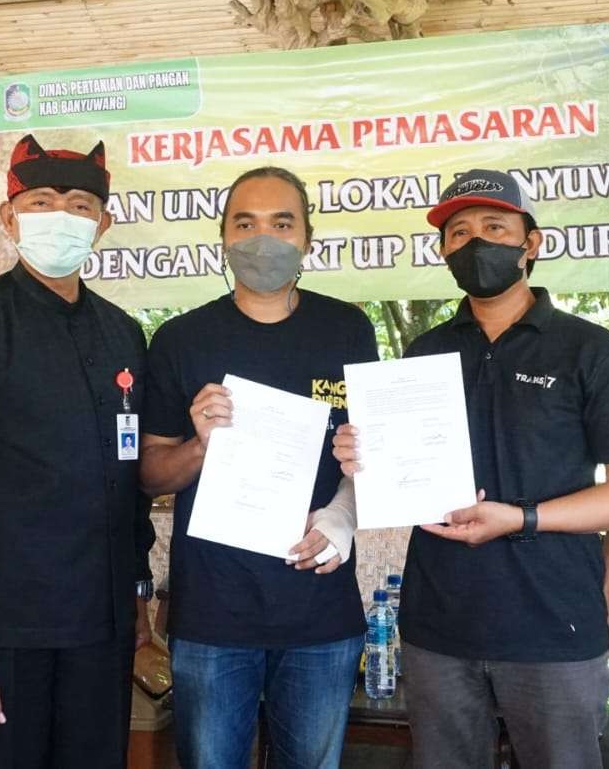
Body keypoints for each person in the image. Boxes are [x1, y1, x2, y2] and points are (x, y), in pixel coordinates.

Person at [332, 169, 609, 769]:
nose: (476, 242)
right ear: (444, 252)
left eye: (494, 227)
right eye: (459, 232)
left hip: (554, 625)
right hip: (438, 629)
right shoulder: (424, 352)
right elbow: (394, 475)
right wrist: (362, 456)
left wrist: (527, 524)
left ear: (530, 243)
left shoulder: (587, 348)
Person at [0, 134, 156, 769]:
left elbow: (129, 487)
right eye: (41, 201)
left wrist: (139, 601)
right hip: (4, 634)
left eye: (78, 204)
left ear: (102, 223)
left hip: (102, 632)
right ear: (10, 217)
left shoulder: (123, 335)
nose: (60, 217)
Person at [140, 166, 376, 769]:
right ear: (223, 238)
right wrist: (198, 445)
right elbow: (150, 476)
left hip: (320, 610)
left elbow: (368, 457)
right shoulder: (180, 339)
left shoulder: (347, 328)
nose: (262, 238)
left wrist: (341, 518)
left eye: (281, 223)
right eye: (245, 223)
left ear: (307, 238)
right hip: (212, 615)